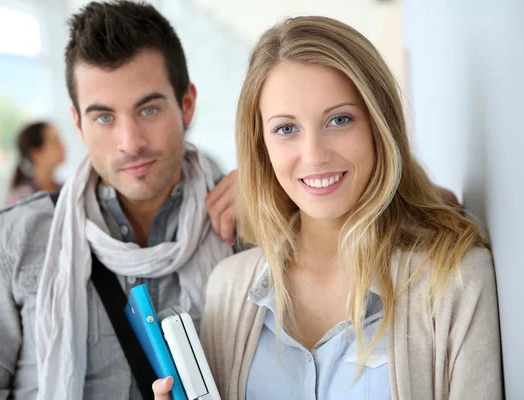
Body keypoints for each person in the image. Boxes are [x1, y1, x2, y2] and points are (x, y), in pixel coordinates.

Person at [153, 16, 502, 399]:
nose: (314, 155)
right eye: (286, 129)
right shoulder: (229, 289)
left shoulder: (456, 280)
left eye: (339, 120)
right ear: (261, 146)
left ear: (378, 126)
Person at [0, 1, 237, 399]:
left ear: (187, 105)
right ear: (78, 123)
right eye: (104, 117)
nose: (130, 143)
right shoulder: (10, 243)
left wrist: (278, 204)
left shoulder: (246, 227)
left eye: (148, 109)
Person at [7, 121, 66, 205]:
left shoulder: (66, 190)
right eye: (55, 142)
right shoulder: (22, 199)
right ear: (36, 154)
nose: (62, 147)